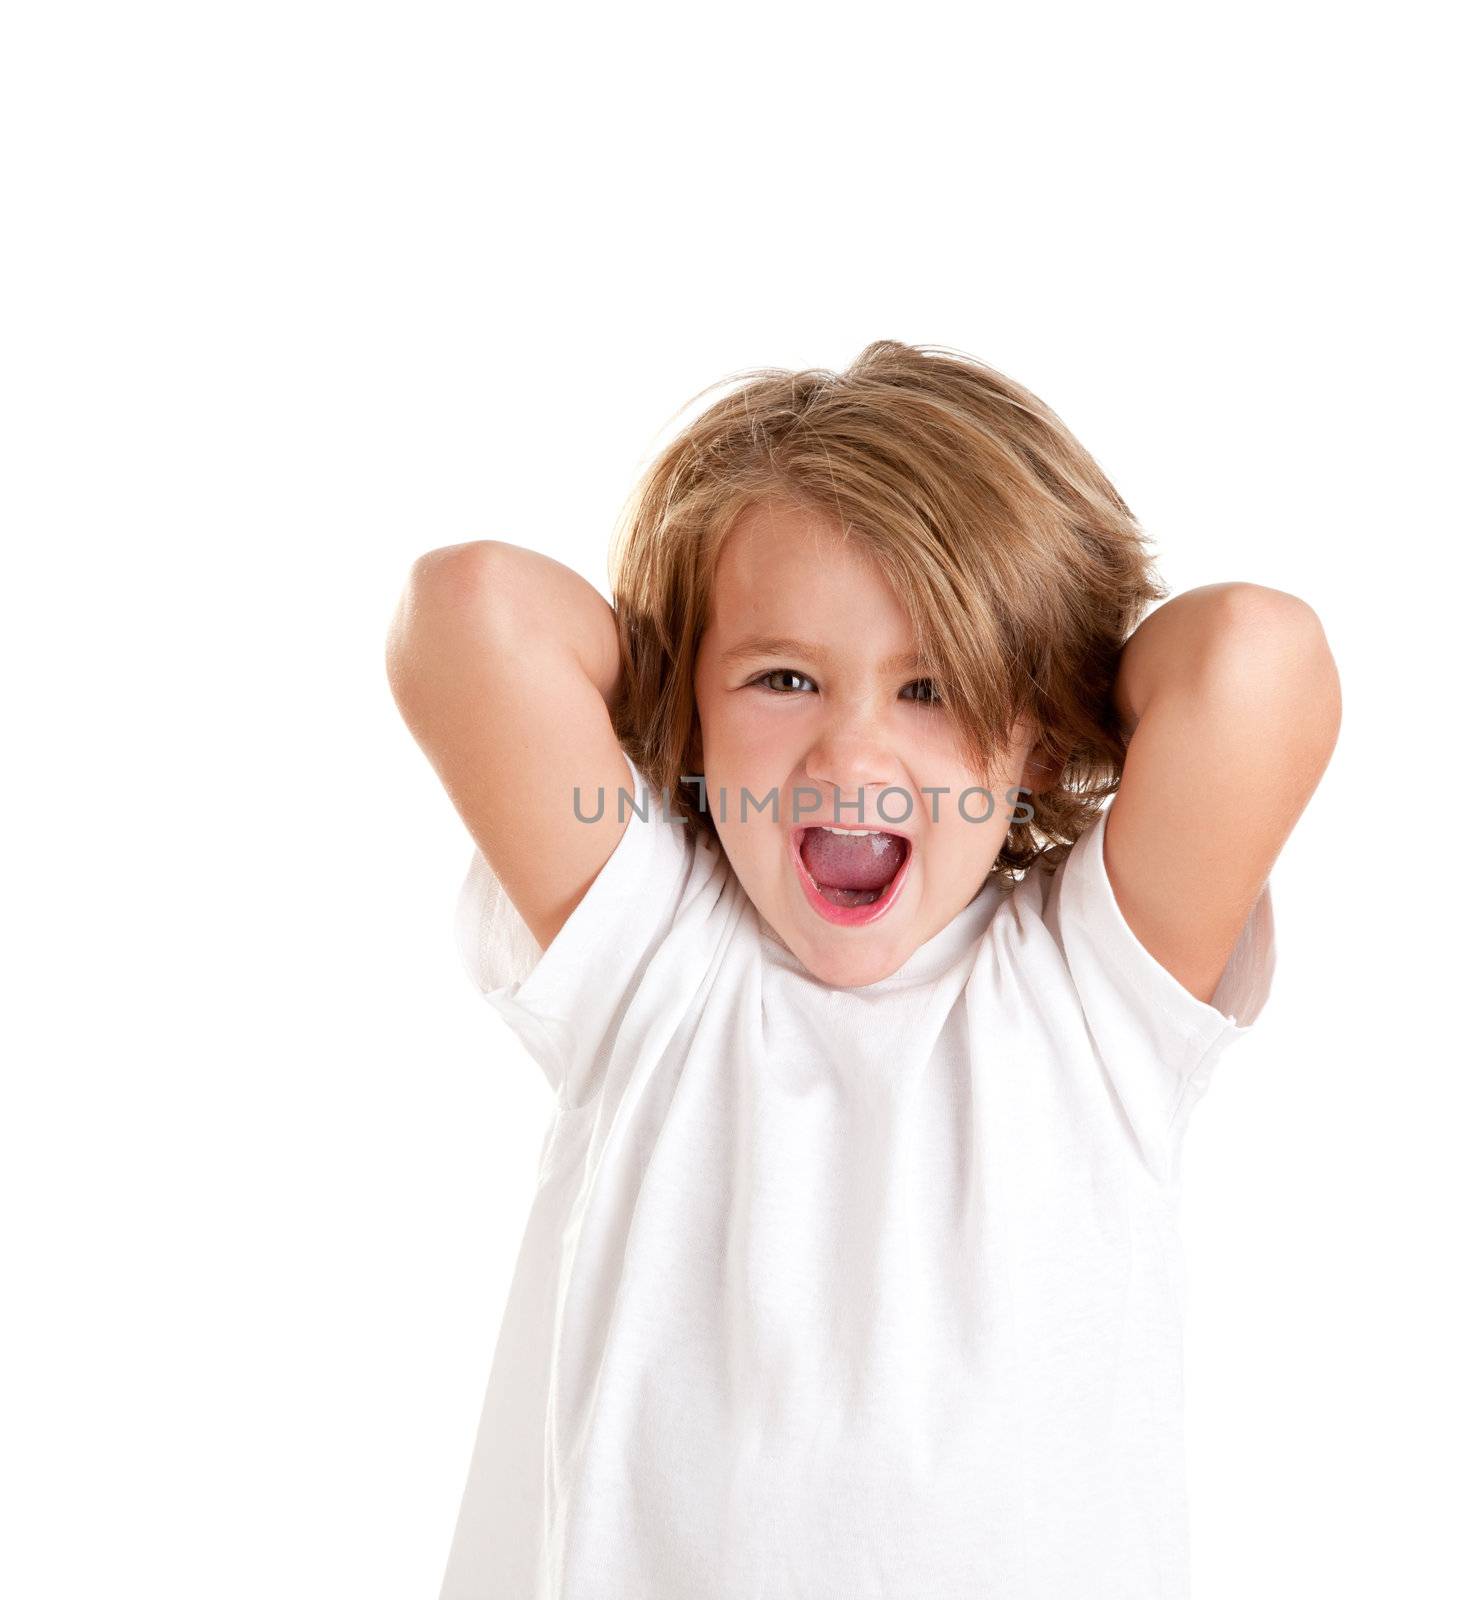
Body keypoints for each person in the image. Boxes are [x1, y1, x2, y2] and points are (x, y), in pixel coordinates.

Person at [385, 339, 1341, 1599]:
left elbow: (1253, 657)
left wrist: (1043, 675)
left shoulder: (1090, 997)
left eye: (932, 686)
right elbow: (470, 611)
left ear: (1040, 732)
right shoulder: (651, 961)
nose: (852, 750)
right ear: (697, 713)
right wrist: (679, 676)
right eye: (783, 677)